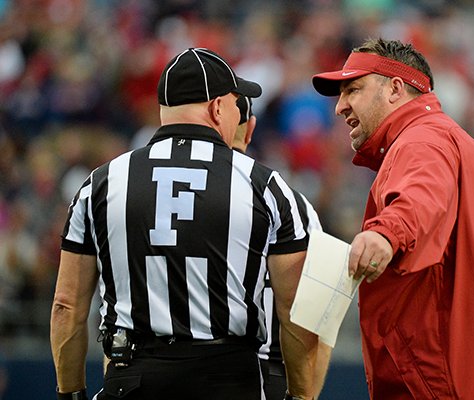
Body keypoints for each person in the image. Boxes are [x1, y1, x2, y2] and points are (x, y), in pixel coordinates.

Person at [311, 38, 474, 399]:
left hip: (471, 370)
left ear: (395, 89)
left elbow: (420, 196)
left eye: (353, 89)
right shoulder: (460, 144)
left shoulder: (421, 141)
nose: (340, 106)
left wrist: (386, 234)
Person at [50, 47, 319, 400]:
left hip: (133, 376)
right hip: (230, 379)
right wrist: (299, 395)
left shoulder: (101, 183)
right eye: (238, 103)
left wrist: (71, 394)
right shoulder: (263, 184)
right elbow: (295, 311)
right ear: (217, 107)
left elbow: (66, 307)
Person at [233, 96, 331, 400]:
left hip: (166, 370)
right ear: (250, 129)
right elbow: (323, 314)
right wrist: (305, 394)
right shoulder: (292, 202)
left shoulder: (133, 184)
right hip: (272, 373)